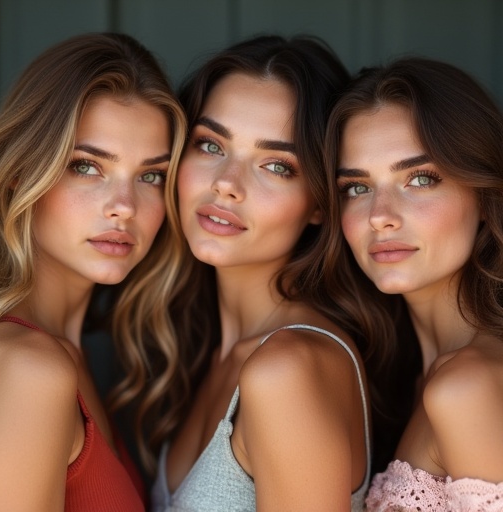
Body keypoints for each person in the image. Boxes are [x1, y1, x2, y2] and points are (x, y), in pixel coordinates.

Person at [136, 34, 376, 512]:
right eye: (210, 144)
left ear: (319, 204)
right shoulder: (207, 352)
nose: (227, 184)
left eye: (275, 165)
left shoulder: (289, 368)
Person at [0, 32, 186, 511]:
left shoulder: (69, 355)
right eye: (87, 166)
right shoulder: (30, 368)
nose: (123, 207)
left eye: (150, 176)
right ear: (22, 173)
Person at [328, 57, 503, 510]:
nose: (380, 216)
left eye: (420, 179)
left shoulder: (469, 387)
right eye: (357, 187)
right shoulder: (401, 378)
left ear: (483, 196)